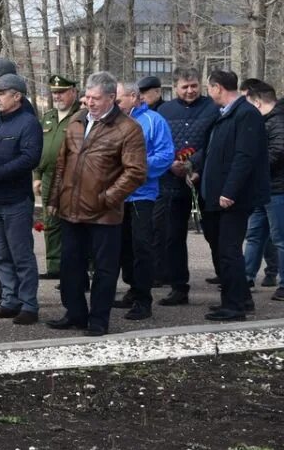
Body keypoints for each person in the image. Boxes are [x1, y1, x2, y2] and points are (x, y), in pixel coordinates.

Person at [47, 72, 147, 337]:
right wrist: (55, 198)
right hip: (71, 209)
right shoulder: (77, 122)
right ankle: (75, 313)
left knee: (104, 269)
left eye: (95, 98)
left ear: (111, 98)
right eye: (87, 97)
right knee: (71, 266)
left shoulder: (128, 128)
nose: (89, 102)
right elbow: (62, 163)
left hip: (104, 214)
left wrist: (107, 198)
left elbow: (135, 172)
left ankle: (99, 319)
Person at [198, 70, 270, 321]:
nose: (209, 92)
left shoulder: (245, 114)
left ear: (217, 87)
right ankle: (238, 299)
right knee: (224, 251)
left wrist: (229, 191)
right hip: (216, 196)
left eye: (209, 87)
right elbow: (213, 152)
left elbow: (244, 156)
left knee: (229, 252)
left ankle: (235, 306)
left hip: (233, 198)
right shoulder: (225, 115)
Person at [0, 73, 43, 325]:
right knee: (1, 254)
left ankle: (29, 305)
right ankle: (10, 300)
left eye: (2, 93)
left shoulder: (28, 123)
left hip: (16, 200)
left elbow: (30, 158)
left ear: (17, 96)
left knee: (21, 255)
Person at [155, 68, 221, 306]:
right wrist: (170, 163)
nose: (190, 90)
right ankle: (178, 287)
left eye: (194, 86)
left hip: (204, 182)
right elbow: (159, 143)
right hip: (172, 184)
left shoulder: (212, 108)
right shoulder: (164, 111)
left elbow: (214, 143)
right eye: (185, 87)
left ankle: (228, 283)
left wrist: (195, 167)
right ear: (175, 88)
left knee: (215, 235)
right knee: (173, 238)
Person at [114, 82, 175, 321]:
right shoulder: (114, 122)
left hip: (142, 194)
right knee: (122, 247)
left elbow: (165, 155)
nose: (115, 104)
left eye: (118, 100)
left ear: (133, 97)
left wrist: (135, 169)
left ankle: (143, 299)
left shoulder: (153, 121)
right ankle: (132, 287)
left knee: (141, 246)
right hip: (116, 195)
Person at [32, 74, 81, 281]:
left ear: (73, 92)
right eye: (54, 93)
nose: (57, 96)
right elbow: (41, 148)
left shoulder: (81, 115)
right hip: (49, 176)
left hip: (73, 177)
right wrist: (37, 175)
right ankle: (54, 266)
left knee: (74, 224)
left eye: (61, 92)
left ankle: (79, 268)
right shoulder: (49, 116)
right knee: (51, 223)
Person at [243, 80, 284, 299]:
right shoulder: (270, 121)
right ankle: (246, 277)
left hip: (277, 189)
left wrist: (254, 166)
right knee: (254, 235)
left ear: (257, 102)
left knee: (280, 239)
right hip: (265, 188)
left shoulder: (277, 121)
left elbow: (278, 152)